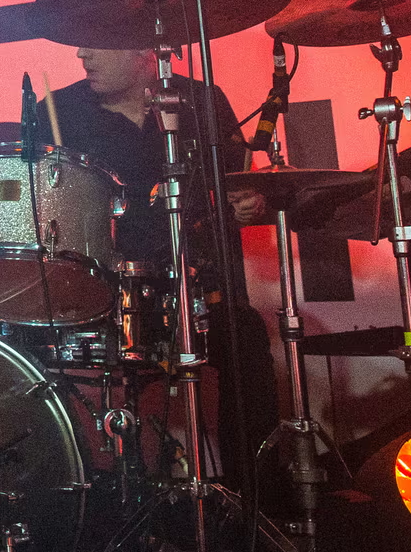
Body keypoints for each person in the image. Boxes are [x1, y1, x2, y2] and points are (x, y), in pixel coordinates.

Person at [44, 46, 279, 485]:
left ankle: (255, 503)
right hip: (102, 298)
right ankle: (75, 497)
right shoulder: (58, 111)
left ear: (142, 51)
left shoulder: (202, 102)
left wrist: (251, 201)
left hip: (195, 288)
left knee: (244, 337)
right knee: (30, 351)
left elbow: (237, 184)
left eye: (96, 42)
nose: (81, 54)